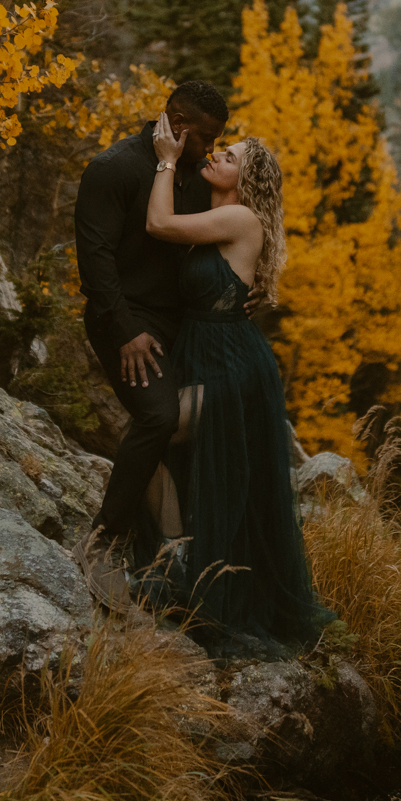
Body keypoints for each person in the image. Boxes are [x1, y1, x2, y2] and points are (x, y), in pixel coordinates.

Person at [134, 113, 335, 657]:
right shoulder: (218, 214)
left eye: (231, 156)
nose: (218, 156)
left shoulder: (241, 217)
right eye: (221, 151)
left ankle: (181, 561)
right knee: (160, 442)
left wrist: (167, 159)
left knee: (153, 433)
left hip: (231, 367)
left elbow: (158, 225)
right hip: (207, 354)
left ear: (246, 180)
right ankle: (180, 554)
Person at [71, 81, 230, 604]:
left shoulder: (198, 176)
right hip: (125, 320)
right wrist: (125, 333)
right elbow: (94, 264)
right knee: (159, 416)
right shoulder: (113, 168)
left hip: (183, 323)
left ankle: (168, 543)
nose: (211, 147)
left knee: (208, 416)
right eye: (206, 136)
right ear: (178, 125)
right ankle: (104, 539)